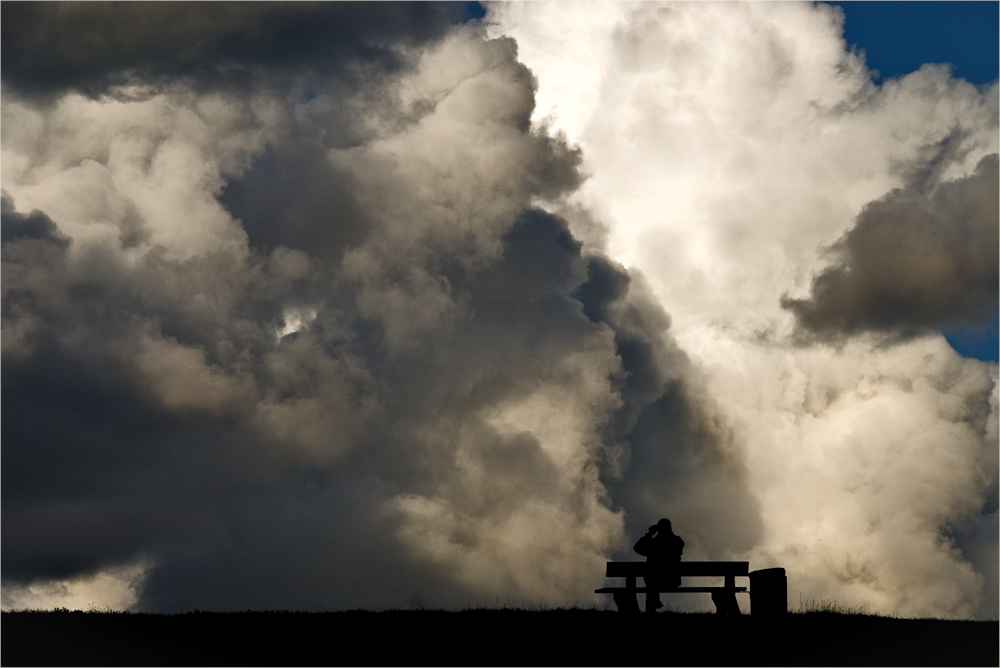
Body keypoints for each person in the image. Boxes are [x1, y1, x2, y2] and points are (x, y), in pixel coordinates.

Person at [634, 518, 683, 611]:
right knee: (651, 578)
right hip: (672, 581)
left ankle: (651, 609)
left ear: (658, 529)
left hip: (655, 582)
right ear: (670, 528)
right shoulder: (677, 541)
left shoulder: (654, 543)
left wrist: (649, 534)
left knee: (650, 578)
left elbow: (637, 548)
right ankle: (654, 602)